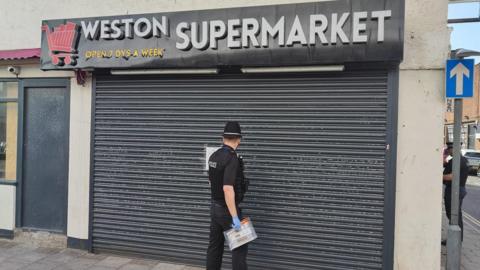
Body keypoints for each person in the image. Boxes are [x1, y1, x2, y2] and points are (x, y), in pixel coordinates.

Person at [206, 121, 248, 270]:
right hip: (228, 210)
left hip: (214, 208)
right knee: (239, 248)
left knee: (215, 247)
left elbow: (211, 182)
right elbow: (228, 189)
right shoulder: (232, 158)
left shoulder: (214, 156)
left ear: (223, 138)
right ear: (239, 139)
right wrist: (235, 216)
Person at [442, 142, 469, 245]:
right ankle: (455, 239)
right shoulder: (461, 159)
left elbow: (451, 176)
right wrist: (444, 156)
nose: (448, 150)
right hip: (458, 189)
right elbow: (445, 164)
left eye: (449, 149)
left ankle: (455, 240)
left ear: (455, 149)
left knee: (454, 216)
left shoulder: (458, 161)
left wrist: (437, 176)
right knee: (455, 215)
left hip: (454, 190)